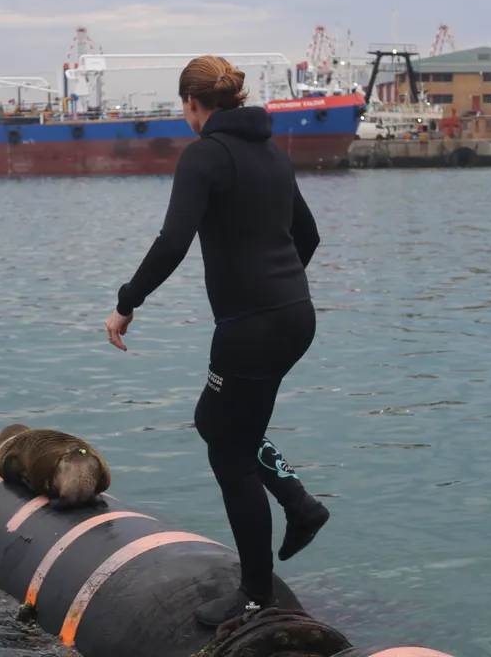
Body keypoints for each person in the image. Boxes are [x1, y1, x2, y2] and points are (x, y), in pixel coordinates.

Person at [105, 55, 330, 627]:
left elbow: (173, 240)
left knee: (228, 450)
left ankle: (255, 593)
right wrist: (279, 288)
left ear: (192, 102)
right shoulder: (272, 153)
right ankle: (299, 505)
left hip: (250, 326)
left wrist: (127, 302)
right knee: (219, 422)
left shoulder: (204, 155)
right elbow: (308, 235)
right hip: (294, 316)